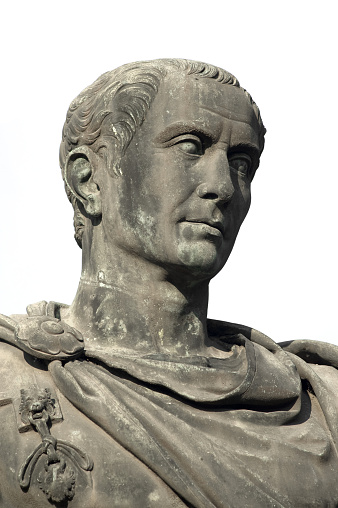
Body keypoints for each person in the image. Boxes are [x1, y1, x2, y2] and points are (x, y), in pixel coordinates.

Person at [1, 59, 338, 508]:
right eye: (190, 146)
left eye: (241, 162)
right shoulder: (11, 380)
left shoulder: (320, 402)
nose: (223, 186)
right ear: (90, 181)